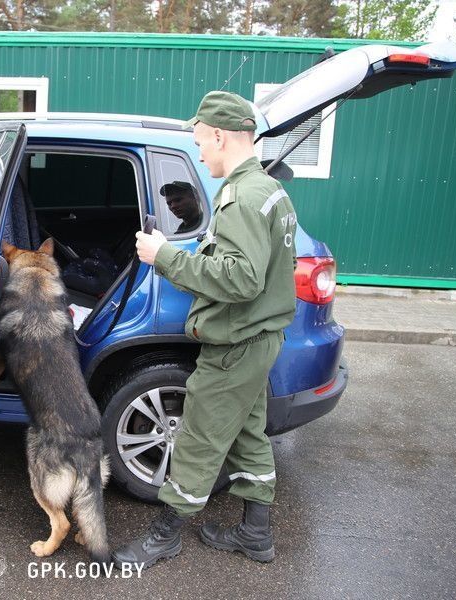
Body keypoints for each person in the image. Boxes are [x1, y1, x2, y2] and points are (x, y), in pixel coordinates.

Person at [112, 91, 298, 568]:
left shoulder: (242, 197)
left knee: (196, 439)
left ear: (219, 136)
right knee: (247, 434)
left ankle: (163, 537)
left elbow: (241, 277)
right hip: (258, 340)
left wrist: (166, 257)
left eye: (199, 142)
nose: (198, 151)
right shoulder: (267, 189)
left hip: (237, 343)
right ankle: (256, 534)